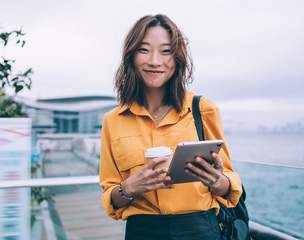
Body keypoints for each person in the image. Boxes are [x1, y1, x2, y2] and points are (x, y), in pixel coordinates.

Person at [99, 14, 242, 240]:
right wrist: (128, 188)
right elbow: (111, 199)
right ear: (131, 56)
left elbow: (229, 186)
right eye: (144, 50)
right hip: (142, 231)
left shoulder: (203, 110)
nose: (155, 61)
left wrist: (216, 180)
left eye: (166, 51)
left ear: (178, 59)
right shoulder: (113, 120)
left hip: (201, 229)